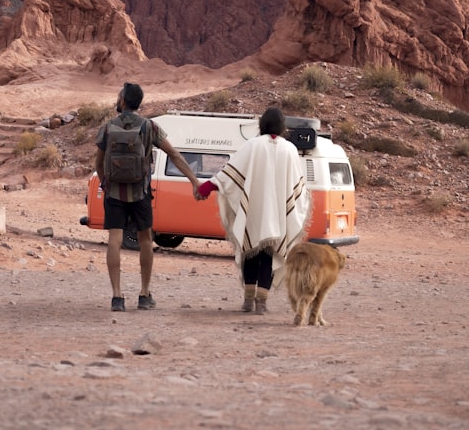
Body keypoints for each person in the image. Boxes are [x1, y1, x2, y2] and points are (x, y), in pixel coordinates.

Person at [94, 82, 202, 312]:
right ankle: (144, 294)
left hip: (114, 192)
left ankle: (117, 297)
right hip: (140, 191)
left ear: (123, 101)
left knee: (115, 239)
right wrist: (194, 180)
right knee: (145, 240)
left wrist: (105, 182)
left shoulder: (107, 127)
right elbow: (173, 153)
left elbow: (98, 161)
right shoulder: (149, 127)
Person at [197, 107, 311, 314]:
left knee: (250, 251)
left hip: (254, 210)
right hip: (277, 213)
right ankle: (262, 303)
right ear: (282, 126)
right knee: (268, 255)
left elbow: (229, 175)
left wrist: (207, 187)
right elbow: (299, 188)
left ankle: (248, 301)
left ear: (262, 124)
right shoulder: (290, 149)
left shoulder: (252, 145)